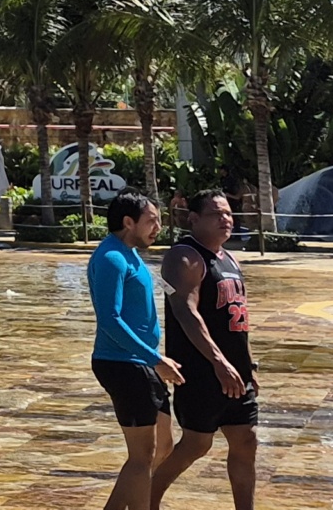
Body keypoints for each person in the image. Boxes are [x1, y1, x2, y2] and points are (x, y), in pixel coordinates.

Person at [149, 189, 260, 509]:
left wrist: (247, 365)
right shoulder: (183, 256)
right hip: (201, 370)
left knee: (246, 439)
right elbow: (185, 310)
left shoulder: (229, 258)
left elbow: (236, 318)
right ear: (194, 219)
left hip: (236, 372)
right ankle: (148, 498)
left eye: (228, 213)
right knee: (197, 444)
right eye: (216, 214)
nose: (226, 219)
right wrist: (218, 362)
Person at [88, 192, 186, 510]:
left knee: (163, 446)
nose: (158, 226)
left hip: (141, 362)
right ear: (128, 222)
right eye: (151, 220)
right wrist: (155, 358)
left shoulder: (130, 254)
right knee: (141, 456)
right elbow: (110, 321)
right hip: (122, 363)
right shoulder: (111, 258)